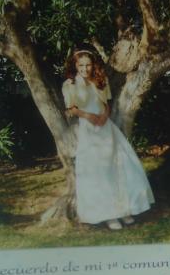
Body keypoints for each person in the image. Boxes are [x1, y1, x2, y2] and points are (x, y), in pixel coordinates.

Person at [62, 47, 154, 230]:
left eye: (88, 65)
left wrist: (104, 115)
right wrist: (88, 116)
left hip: (106, 127)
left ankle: (125, 210)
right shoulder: (70, 84)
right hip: (88, 129)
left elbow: (105, 104)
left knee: (118, 166)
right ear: (75, 65)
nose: (85, 69)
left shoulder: (100, 80)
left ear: (93, 65)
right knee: (99, 170)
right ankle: (109, 215)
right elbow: (71, 109)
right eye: (81, 65)